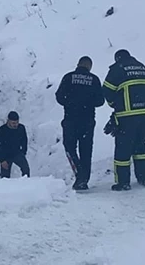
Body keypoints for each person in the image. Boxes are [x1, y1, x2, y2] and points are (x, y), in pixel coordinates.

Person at [102, 49, 145, 191]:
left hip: (127, 114)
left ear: (118, 58)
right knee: (140, 145)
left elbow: (107, 91)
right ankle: (144, 178)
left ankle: (123, 182)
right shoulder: (143, 67)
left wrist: (116, 105)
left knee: (123, 147)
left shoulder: (117, 69)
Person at [54, 55, 105, 190]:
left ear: (78, 64)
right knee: (86, 150)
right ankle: (84, 180)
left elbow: (59, 97)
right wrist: (87, 103)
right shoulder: (94, 79)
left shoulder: (68, 77)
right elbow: (100, 101)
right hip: (87, 120)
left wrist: (70, 102)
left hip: (71, 119)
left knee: (69, 147)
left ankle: (79, 175)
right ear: (89, 66)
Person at [0, 111, 30, 178]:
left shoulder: (21, 128)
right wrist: (2, 160)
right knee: (5, 178)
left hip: (17, 153)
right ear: (8, 121)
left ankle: (26, 184)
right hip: (5, 156)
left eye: (17, 122)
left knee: (26, 169)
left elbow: (24, 141)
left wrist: (23, 152)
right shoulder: (2, 130)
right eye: (13, 123)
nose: (15, 125)